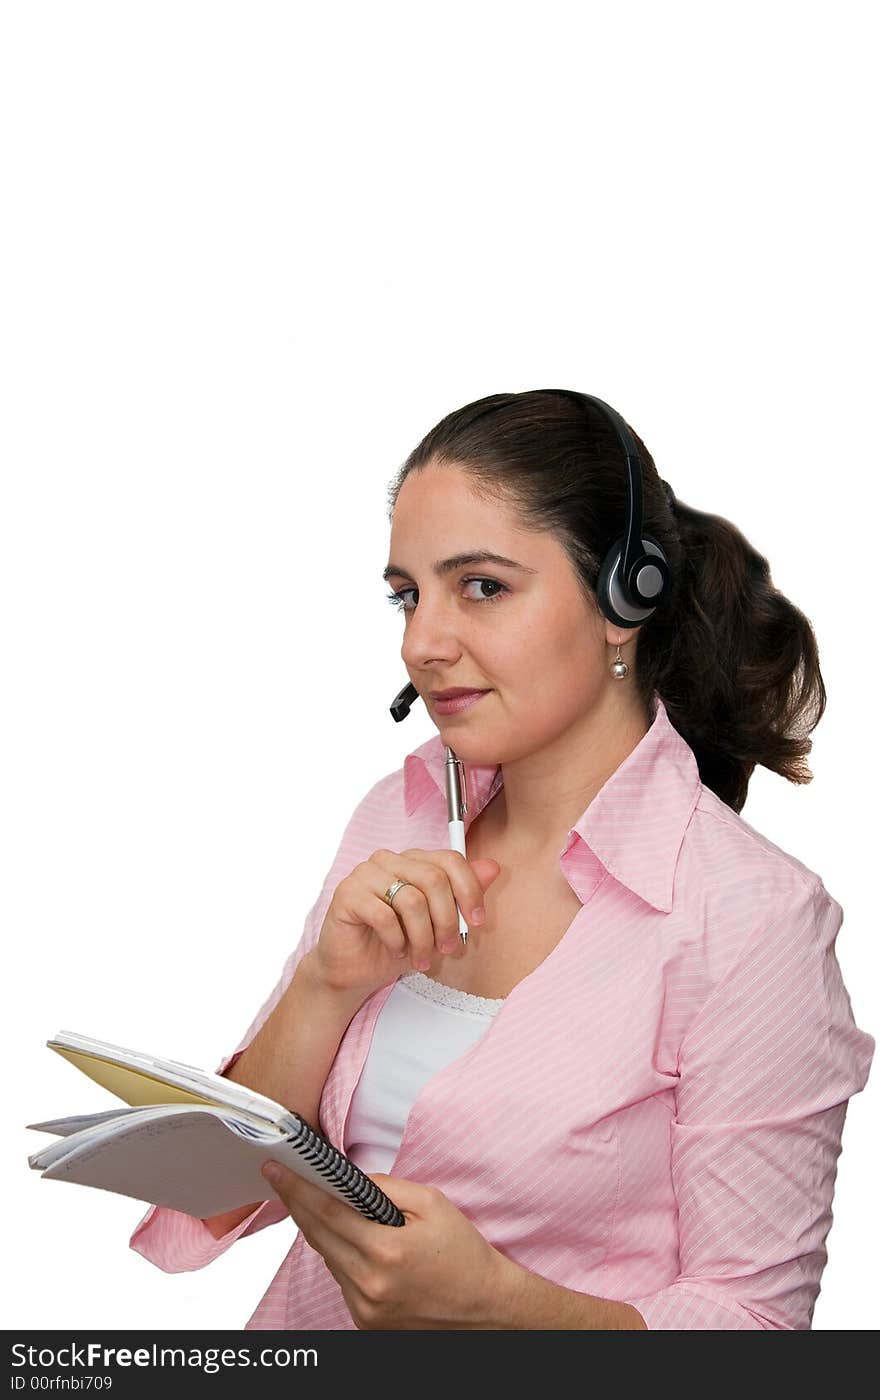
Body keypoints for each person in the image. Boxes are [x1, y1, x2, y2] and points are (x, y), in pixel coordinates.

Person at [129, 389, 875, 1329]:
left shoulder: (751, 921)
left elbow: (757, 1330)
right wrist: (326, 987)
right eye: (408, 595)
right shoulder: (395, 815)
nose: (422, 644)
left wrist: (500, 1308)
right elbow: (217, 1194)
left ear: (623, 599)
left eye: (480, 586)